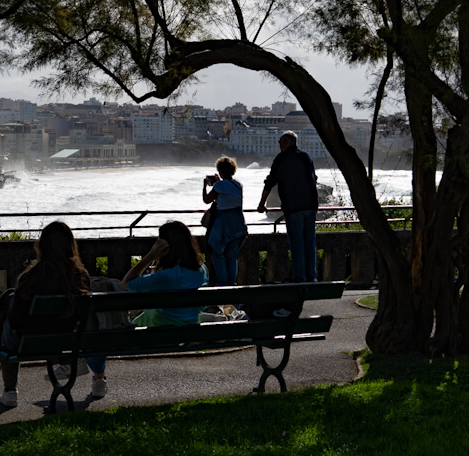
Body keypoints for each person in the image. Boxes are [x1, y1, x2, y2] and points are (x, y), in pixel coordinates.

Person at [0, 221, 92, 407]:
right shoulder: (81, 276)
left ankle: (7, 388)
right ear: (70, 245)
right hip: (65, 344)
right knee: (8, 297)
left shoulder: (32, 276)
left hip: (28, 345)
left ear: (42, 245)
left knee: (5, 318)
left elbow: (16, 321)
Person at [86, 221, 209, 395]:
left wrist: (150, 256)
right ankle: (95, 374)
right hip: (190, 329)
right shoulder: (202, 270)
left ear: (166, 248)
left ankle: (98, 376)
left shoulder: (167, 276)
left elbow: (126, 283)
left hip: (159, 333)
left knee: (102, 332)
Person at [257, 130, 319, 283]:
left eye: (279, 142)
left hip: (294, 207)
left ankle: (300, 278)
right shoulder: (305, 156)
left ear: (284, 143)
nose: (278, 145)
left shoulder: (282, 158)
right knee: (310, 244)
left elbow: (270, 181)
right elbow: (314, 178)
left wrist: (261, 203)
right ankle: (312, 277)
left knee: (297, 244)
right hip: (311, 205)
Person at [203, 156, 248, 286]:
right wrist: (219, 182)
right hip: (238, 221)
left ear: (221, 171)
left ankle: (222, 283)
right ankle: (231, 283)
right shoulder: (238, 184)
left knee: (216, 253)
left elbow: (207, 200)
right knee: (231, 255)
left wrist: (204, 186)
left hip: (224, 221)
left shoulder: (219, 185)